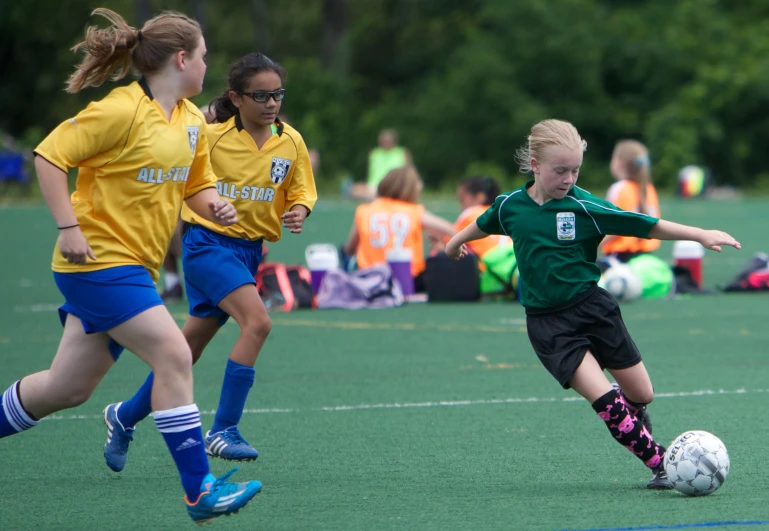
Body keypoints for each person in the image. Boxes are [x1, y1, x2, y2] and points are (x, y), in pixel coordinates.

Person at [0, 9, 261, 524]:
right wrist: (68, 228)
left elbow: (195, 186)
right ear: (182, 58)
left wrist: (216, 206)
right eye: (204, 55)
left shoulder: (190, 120)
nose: (209, 65)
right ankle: (199, 491)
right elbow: (49, 158)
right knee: (173, 355)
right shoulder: (120, 110)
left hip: (133, 269)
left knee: (66, 388)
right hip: (97, 263)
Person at [444, 119, 740, 489]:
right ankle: (661, 463)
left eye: (575, 170)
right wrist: (454, 243)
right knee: (606, 402)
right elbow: (482, 224)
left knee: (641, 394)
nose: (569, 178)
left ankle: (633, 420)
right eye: (560, 170)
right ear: (535, 164)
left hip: (594, 310)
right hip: (549, 326)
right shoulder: (510, 208)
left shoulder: (584, 207)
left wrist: (699, 235)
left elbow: (645, 224)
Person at [103, 53, 317, 468]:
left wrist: (300, 210)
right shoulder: (209, 136)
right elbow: (176, 177)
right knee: (258, 322)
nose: (272, 103)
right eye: (261, 95)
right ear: (236, 98)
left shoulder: (289, 139)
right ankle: (223, 430)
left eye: (277, 94)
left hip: (248, 252)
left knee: (184, 353)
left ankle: (124, 416)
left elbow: (302, 189)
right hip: (205, 245)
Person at [343, 166, 455, 292]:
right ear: (410, 189)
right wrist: (443, 243)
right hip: (409, 279)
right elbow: (451, 230)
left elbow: (349, 249)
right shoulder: (414, 212)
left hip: (371, 279)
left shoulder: (364, 211)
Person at [601, 140, 661, 262]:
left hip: (619, 257)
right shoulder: (649, 189)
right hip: (647, 259)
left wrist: (595, 243)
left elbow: (613, 226)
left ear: (619, 163)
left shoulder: (619, 188)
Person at [347, 129, 412, 200]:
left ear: (394, 141)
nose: (386, 142)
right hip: (374, 187)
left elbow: (410, 171)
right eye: (384, 140)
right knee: (354, 190)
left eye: (388, 140)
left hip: (395, 186)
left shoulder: (402, 152)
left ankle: (381, 197)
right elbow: (370, 174)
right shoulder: (374, 153)